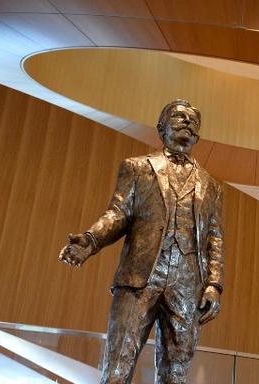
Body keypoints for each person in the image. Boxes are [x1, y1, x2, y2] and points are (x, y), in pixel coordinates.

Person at [58, 99, 224, 384]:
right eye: (179, 117)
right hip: (139, 278)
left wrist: (214, 284)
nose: (187, 123)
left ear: (198, 135)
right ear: (161, 128)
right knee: (118, 367)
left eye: (193, 121)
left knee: (176, 373)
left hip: (188, 284)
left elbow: (214, 237)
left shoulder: (211, 185)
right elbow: (118, 213)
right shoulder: (137, 168)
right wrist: (90, 240)